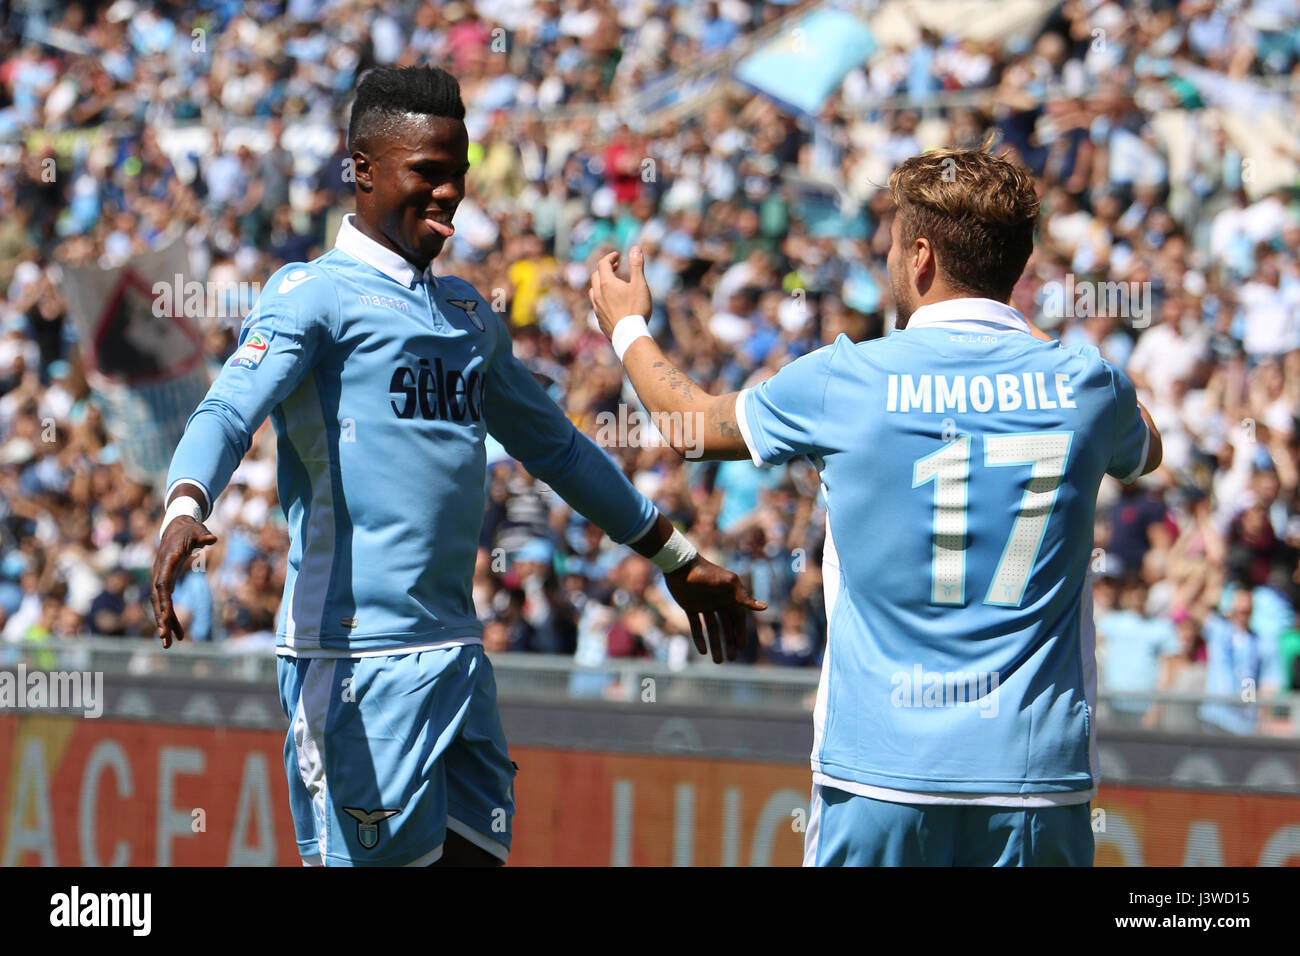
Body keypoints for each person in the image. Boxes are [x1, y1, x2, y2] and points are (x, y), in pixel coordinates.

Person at [151, 65, 763, 868]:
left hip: (458, 656)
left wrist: (674, 556)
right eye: (427, 174)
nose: (448, 195)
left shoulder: (469, 315)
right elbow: (228, 410)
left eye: (458, 175)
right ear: (363, 171)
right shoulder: (311, 298)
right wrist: (185, 504)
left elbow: (560, 449)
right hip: (354, 662)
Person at [589, 142, 1163, 867]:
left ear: (920, 258)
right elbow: (1148, 449)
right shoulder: (1087, 384)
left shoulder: (846, 379)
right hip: (1033, 779)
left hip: (879, 774)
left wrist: (627, 324)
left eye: (894, 246)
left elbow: (692, 427)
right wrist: (1026, 332)